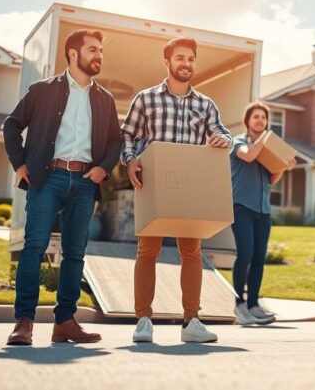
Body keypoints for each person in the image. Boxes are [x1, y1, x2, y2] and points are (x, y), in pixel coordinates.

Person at [2, 29, 123, 346]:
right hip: (48, 177)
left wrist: (102, 169)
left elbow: (115, 141)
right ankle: (24, 322)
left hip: (85, 182)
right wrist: (20, 163)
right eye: (93, 49)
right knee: (34, 246)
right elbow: (11, 125)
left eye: (101, 51)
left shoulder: (105, 99)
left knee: (75, 254)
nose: (98, 55)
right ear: (73, 54)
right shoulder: (43, 90)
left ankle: (65, 323)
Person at [122, 37, 231, 344]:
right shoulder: (146, 99)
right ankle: (143, 319)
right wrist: (130, 162)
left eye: (191, 59)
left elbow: (222, 133)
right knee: (148, 252)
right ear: (166, 61)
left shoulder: (205, 104)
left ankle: (191, 321)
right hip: (155, 184)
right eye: (180, 58)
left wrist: (223, 140)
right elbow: (128, 135)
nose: (186, 64)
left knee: (192, 254)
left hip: (190, 188)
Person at [229, 102, 295, 325]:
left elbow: (271, 179)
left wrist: (283, 165)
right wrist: (266, 142)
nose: (260, 121)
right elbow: (248, 156)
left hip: (263, 210)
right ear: (247, 121)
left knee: (259, 258)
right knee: (245, 253)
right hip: (241, 207)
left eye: (263, 118)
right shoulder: (237, 142)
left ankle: (254, 304)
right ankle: (239, 304)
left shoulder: (267, 149)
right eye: (255, 117)